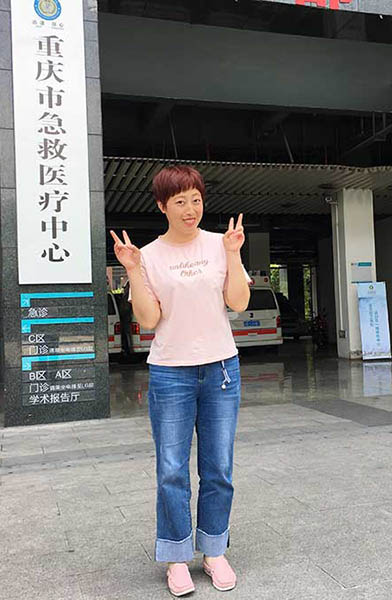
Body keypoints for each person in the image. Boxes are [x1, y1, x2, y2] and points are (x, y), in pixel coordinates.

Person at [110, 165, 250, 597]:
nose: (190, 210)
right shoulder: (149, 255)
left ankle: (214, 549)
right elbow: (149, 320)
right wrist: (132, 268)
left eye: (196, 200)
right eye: (179, 202)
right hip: (171, 371)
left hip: (222, 368)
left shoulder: (219, 244)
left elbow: (239, 303)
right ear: (161, 206)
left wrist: (233, 253)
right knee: (172, 470)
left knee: (219, 468)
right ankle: (176, 557)